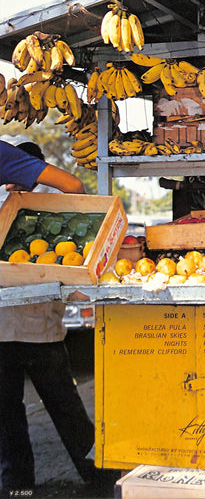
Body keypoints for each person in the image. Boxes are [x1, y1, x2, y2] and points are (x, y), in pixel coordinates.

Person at [0, 138, 97, 495]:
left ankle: (17, 487)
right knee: (65, 409)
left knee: (10, 416)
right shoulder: (53, 207)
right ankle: (97, 479)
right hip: (40, 331)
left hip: (23, 330)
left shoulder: (17, 205)